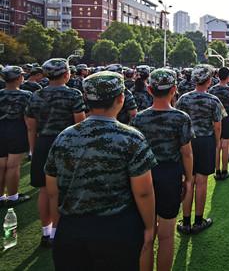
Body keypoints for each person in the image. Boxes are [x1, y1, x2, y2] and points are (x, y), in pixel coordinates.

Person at [45, 71, 157, 270]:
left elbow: (53, 191)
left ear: (86, 98)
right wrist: (149, 227)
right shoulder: (131, 138)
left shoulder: (64, 136)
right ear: (120, 98)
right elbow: (144, 191)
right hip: (116, 229)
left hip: (72, 227)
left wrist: (58, 225)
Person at [131, 69, 194, 271]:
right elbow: (187, 154)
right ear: (174, 90)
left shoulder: (138, 119)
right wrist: (189, 179)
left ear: (150, 90)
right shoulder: (181, 118)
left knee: (146, 236)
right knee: (166, 236)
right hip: (170, 175)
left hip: (143, 176)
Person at [25, 58, 86, 248]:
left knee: (44, 190)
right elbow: (80, 125)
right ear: (66, 74)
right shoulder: (73, 95)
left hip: (43, 143)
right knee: (67, 190)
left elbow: (30, 127)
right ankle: (60, 232)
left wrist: (34, 150)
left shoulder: (36, 95)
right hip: (68, 145)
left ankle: (47, 232)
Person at [175, 65, 223, 234]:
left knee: (188, 180)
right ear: (209, 81)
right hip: (205, 141)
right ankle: (198, 220)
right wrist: (216, 143)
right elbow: (217, 126)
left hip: (187, 142)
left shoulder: (183, 99)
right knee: (201, 182)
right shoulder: (213, 100)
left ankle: (186, 221)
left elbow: (178, 122)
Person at [0, 66, 32, 206]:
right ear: (19, 78)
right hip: (17, 130)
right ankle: (13, 197)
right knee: (13, 166)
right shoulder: (26, 95)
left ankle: (0, 197)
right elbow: (28, 120)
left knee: (1, 165)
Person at [209, 67, 229, 179]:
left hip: (214, 119)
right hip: (227, 118)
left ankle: (217, 171)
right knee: (225, 145)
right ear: (228, 76)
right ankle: (224, 171)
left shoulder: (212, 90)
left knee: (217, 145)